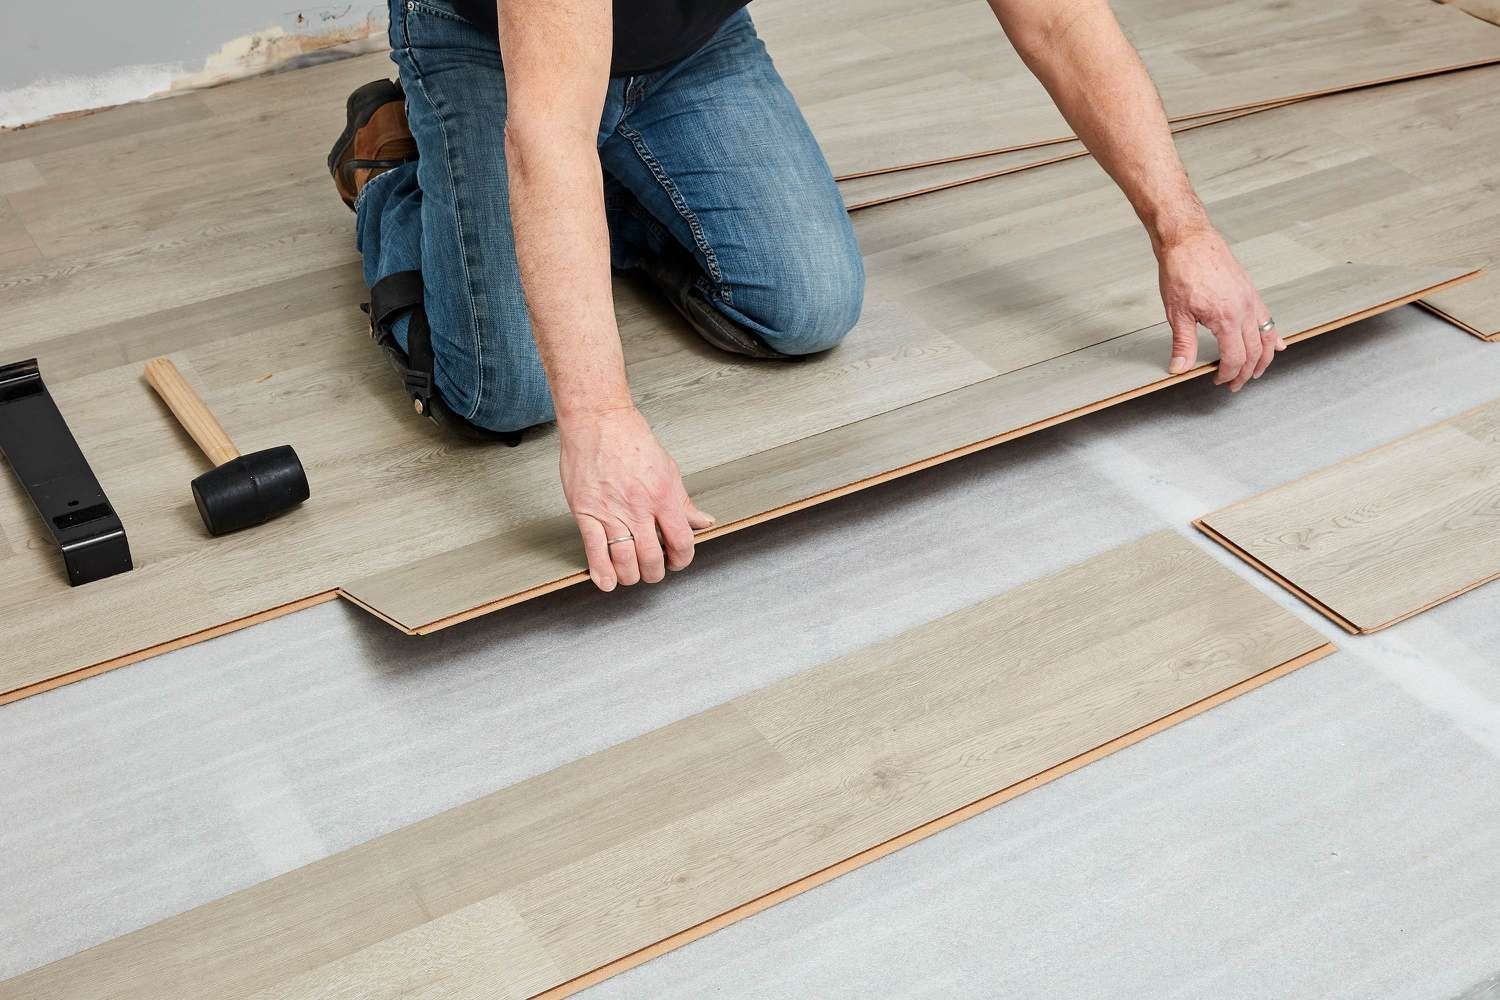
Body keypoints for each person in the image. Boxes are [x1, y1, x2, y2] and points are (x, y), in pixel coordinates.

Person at [328, 0, 1282, 594]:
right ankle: (394, 177)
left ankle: (594, 205)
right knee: (508, 391)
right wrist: (604, 413)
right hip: (491, 45)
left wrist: (1183, 228)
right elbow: (545, 136)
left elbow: (1058, 16)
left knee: (809, 303)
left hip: (689, 40)